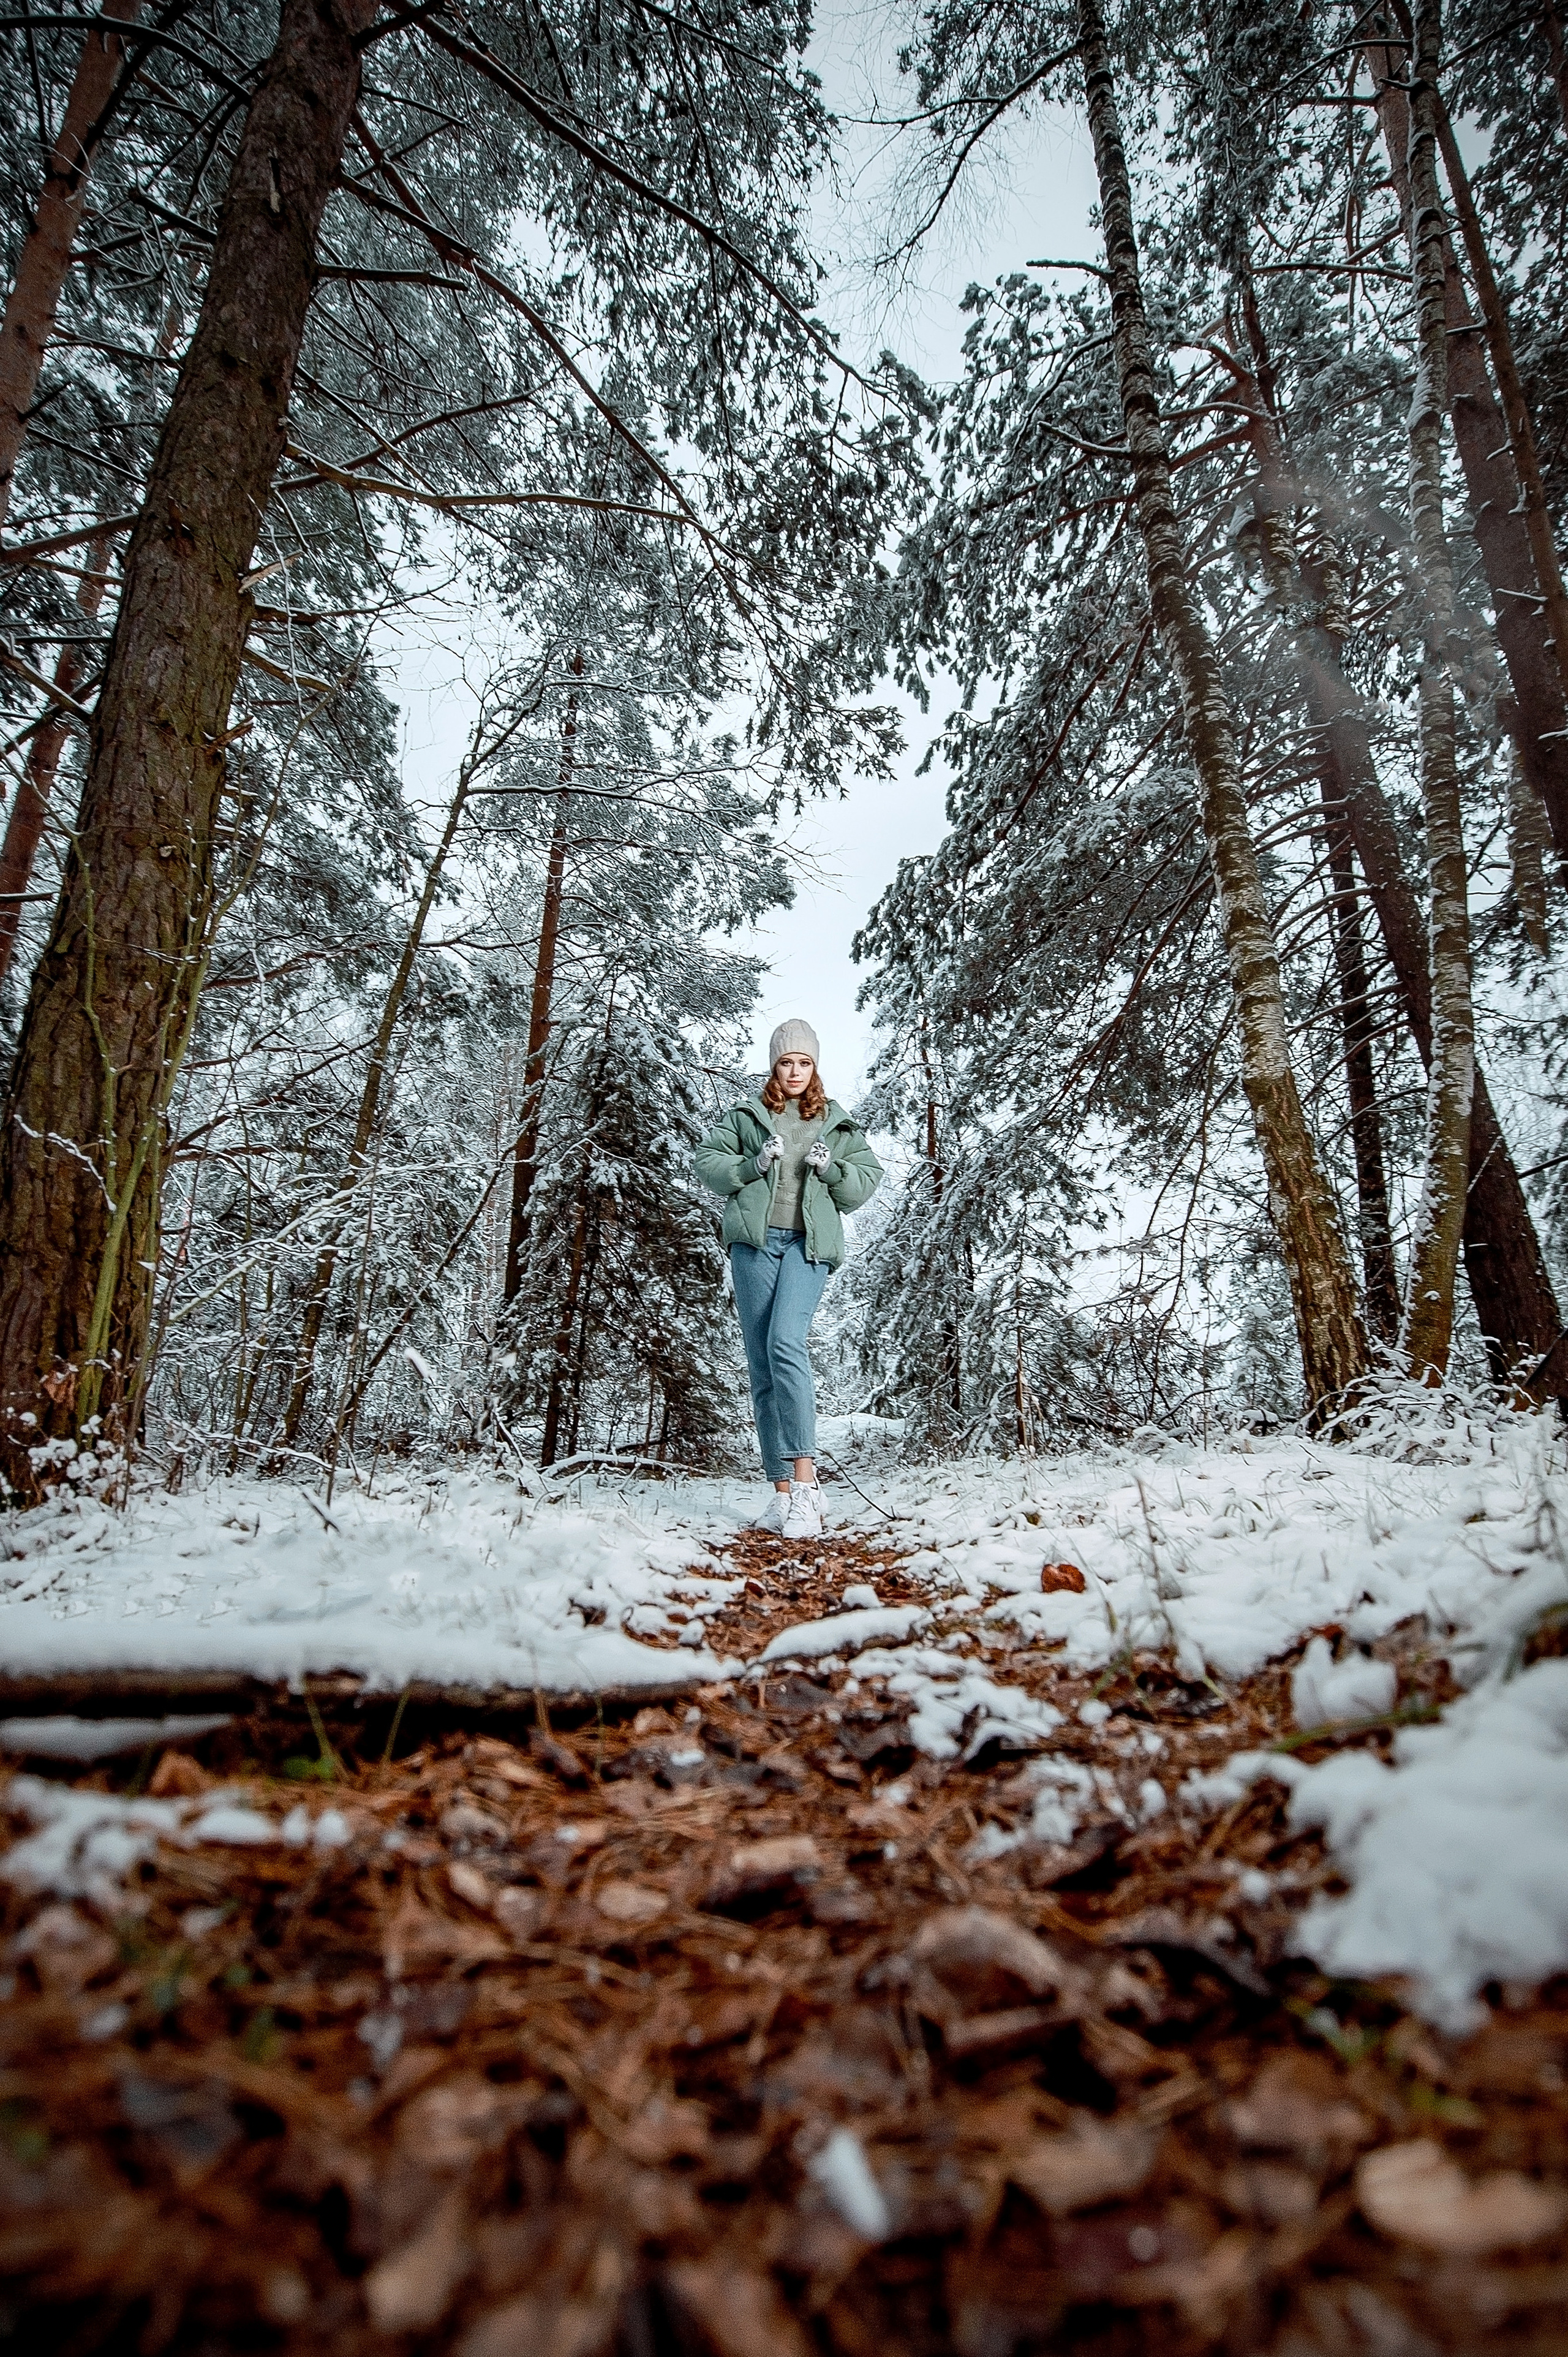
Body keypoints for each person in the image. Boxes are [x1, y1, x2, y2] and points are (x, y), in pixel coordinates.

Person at [695, 1020, 883, 1538]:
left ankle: (806, 1486)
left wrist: (832, 1171)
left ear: (815, 1066)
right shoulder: (749, 1116)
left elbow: (863, 1183)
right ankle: (780, 1491)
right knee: (761, 1367)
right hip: (755, 1244)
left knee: (785, 1344)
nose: (795, 1071)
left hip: (808, 1245)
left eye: (804, 1062)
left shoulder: (835, 1122)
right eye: (786, 1062)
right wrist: (754, 1163)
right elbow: (707, 1164)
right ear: (774, 1065)